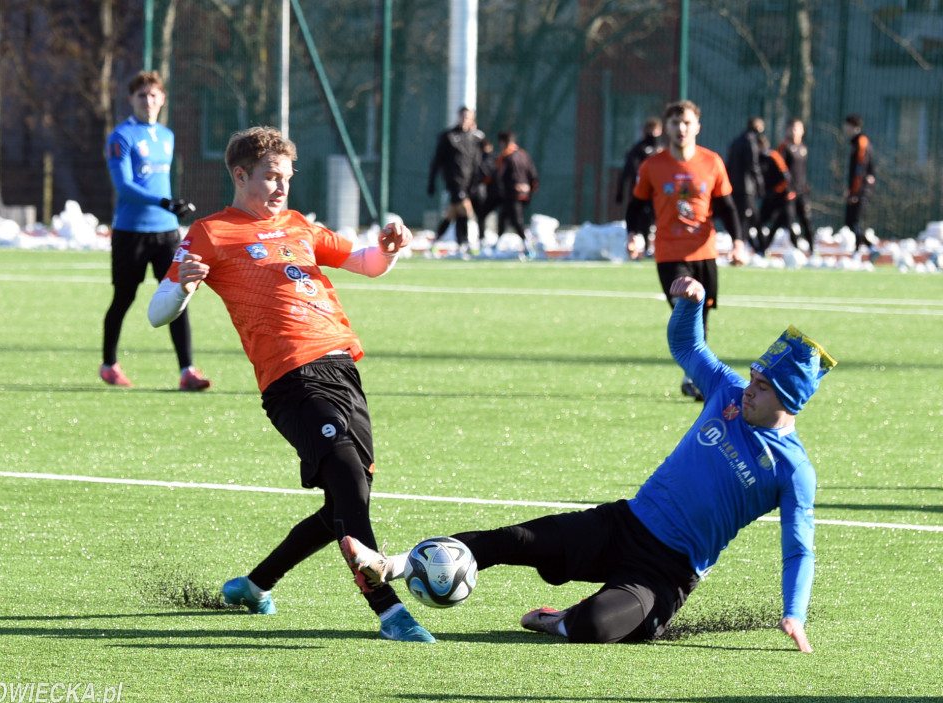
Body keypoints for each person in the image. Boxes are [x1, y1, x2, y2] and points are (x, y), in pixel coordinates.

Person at [342, 274, 836, 651]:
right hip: (623, 524)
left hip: (666, 574)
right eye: (752, 376)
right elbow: (688, 346)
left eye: (763, 386)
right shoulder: (726, 393)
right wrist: (688, 304)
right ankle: (393, 564)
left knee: (596, 626)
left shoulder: (793, 469)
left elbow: (799, 550)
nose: (749, 388)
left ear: (789, 401)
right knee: (515, 540)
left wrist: (795, 613)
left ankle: (556, 618)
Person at [147, 126, 434, 643]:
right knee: (346, 475)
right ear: (240, 175)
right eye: (270, 177)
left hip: (342, 369)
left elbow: (365, 263)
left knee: (344, 505)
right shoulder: (211, 233)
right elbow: (156, 312)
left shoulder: (299, 224)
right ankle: (389, 610)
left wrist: (389, 250)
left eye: (287, 178)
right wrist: (185, 286)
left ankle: (255, 586)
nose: (281, 188)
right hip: (289, 380)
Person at [625, 99, 747, 402]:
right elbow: (636, 206)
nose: (681, 128)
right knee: (686, 308)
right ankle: (695, 377)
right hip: (670, 253)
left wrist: (738, 242)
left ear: (697, 127)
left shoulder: (712, 162)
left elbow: (727, 206)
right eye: (675, 123)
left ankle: (694, 377)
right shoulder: (653, 166)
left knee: (702, 318)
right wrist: (633, 235)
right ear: (666, 127)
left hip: (704, 251)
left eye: (687, 122)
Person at [101, 71, 210, 391]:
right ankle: (109, 364)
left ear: (162, 99)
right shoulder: (121, 137)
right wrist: (165, 202)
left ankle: (187, 371)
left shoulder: (166, 136)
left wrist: (169, 207)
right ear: (131, 100)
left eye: (153, 96)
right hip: (131, 232)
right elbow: (125, 186)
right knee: (123, 298)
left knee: (178, 296)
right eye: (141, 96)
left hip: (166, 234)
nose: (148, 101)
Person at [427, 106, 484, 254]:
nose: (465, 120)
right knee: (466, 210)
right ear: (458, 117)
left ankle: (436, 241)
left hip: (468, 183)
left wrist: (477, 181)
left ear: (472, 119)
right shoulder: (449, 136)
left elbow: (476, 162)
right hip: (454, 182)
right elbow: (437, 160)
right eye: (463, 116)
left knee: (453, 214)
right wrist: (431, 181)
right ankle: (464, 244)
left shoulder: (474, 138)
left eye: (468, 117)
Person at [615, 117, 664, 242]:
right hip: (641, 188)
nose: (653, 132)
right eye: (650, 129)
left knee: (658, 215)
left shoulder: (663, 150)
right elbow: (628, 169)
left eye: (656, 129)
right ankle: (641, 241)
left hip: (659, 190)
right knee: (642, 215)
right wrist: (621, 189)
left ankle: (655, 242)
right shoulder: (638, 148)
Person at [494, 130, 540, 259]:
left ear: (502, 142)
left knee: (516, 219)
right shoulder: (524, 154)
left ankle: (527, 245)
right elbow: (533, 174)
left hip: (511, 193)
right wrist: (530, 188)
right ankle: (498, 243)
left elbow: (499, 176)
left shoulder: (505, 156)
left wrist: (499, 191)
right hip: (524, 193)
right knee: (503, 217)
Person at [725, 117, 766, 252]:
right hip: (746, 188)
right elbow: (753, 165)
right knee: (749, 219)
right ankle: (749, 248)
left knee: (742, 218)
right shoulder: (750, 141)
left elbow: (729, 164)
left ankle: (757, 248)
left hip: (734, 186)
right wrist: (760, 185)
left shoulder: (736, 141)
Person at [757, 135, 799, 254]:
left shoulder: (773, 156)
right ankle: (762, 249)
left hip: (783, 197)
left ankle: (798, 250)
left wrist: (775, 191)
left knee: (787, 224)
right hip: (771, 197)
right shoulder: (759, 158)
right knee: (760, 222)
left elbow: (786, 178)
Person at [777, 118, 814, 250]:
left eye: (797, 128)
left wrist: (805, 186)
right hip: (789, 191)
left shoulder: (803, 147)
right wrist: (786, 188)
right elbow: (780, 169)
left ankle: (812, 250)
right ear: (787, 130)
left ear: (802, 131)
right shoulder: (784, 146)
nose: (795, 131)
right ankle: (796, 248)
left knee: (807, 220)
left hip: (801, 191)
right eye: (792, 128)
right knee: (789, 221)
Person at [843, 113, 876, 256]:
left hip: (861, 189)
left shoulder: (861, 142)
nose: (845, 129)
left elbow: (860, 169)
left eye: (846, 126)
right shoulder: (856, 142)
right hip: (857, 188)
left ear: (853, 126)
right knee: (850, 221)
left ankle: (859, 252)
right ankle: (870, 248)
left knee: (855, 221)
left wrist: (855, 192)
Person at [470, 136, 498, 246]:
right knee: (480, 216)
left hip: (491, 192)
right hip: (481, 192)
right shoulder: (478, 159)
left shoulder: (492, 159)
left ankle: (484, 238)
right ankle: (481, 238)